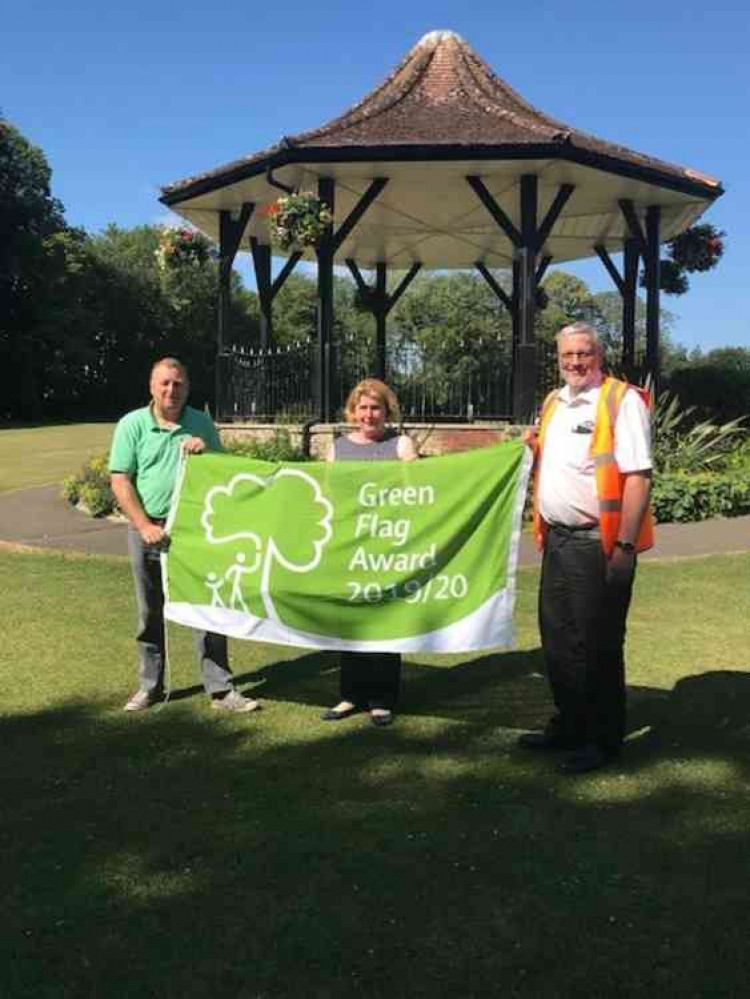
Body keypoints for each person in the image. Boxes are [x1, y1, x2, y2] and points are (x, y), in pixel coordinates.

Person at [519, 322, 653, 773]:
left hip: (601, 543)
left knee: (597, 644)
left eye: (584, 353)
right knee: (557, 642)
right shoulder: (554, 402)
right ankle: (571, 725)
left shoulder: (621, 401)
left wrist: (626, 546)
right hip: (557, 540)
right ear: (557, 359)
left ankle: (602, 739)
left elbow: (638, 476)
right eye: (567, 355)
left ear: (600, 354)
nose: (575, 362)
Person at [109, 357, 260, 714]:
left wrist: (204, 452)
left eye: (177, 384)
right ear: (151, 387)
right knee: (150, 611)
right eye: (164, 383)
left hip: (194, 531)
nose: (171, 390)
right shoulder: (132, 424)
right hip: (147, 529)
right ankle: (150, 687)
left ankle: (221, 690)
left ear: (187, 388)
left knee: (205, 608)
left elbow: (223, 473)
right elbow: (120, 479)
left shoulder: (201, 423)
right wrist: (144, 525)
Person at [321, 378, 418, 727]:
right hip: (348, 546)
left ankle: (382, 699)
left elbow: (416, 491)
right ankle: (350, 694)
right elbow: (328, 496)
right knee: (350, 620)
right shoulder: (336, 448)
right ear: (352, 411)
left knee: (384, 621)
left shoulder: (401, 445)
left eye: (375, 407)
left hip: (387, 547)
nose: (368, 414)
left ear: (386, 411)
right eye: (362, 407)